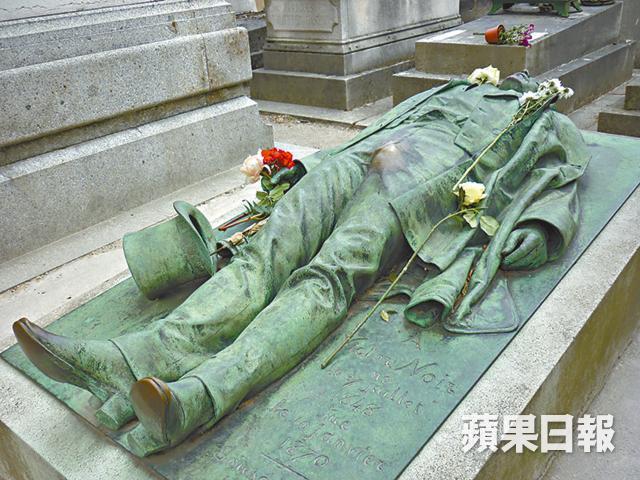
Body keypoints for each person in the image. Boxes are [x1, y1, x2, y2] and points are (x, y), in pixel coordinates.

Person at [13, 71, 589, 456]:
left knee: (328, 275)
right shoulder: (460, 86)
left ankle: (203, 394)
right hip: (365, 154)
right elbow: (388, 124)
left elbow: (560, 178)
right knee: (270, 249)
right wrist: (313, 163)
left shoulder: (548, 120)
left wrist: (541, 226)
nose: (522, 78)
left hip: (426, 182)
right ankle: (135, 357)